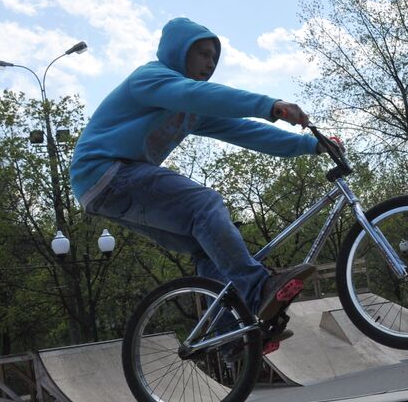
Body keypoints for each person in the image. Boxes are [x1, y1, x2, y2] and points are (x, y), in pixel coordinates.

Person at [71, 17, 323, 334]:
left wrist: (310, 145)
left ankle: (229, 336)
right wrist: (270, 105)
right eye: (203, 53)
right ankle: (259, 288)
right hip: (105, 171)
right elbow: (197, 94)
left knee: (207, 246)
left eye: (214, 58)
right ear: (179, 51)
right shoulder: (150, 78)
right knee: (204, 205)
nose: (210, 63)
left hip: (104, 193)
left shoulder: (193, 112)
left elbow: (244, 132)